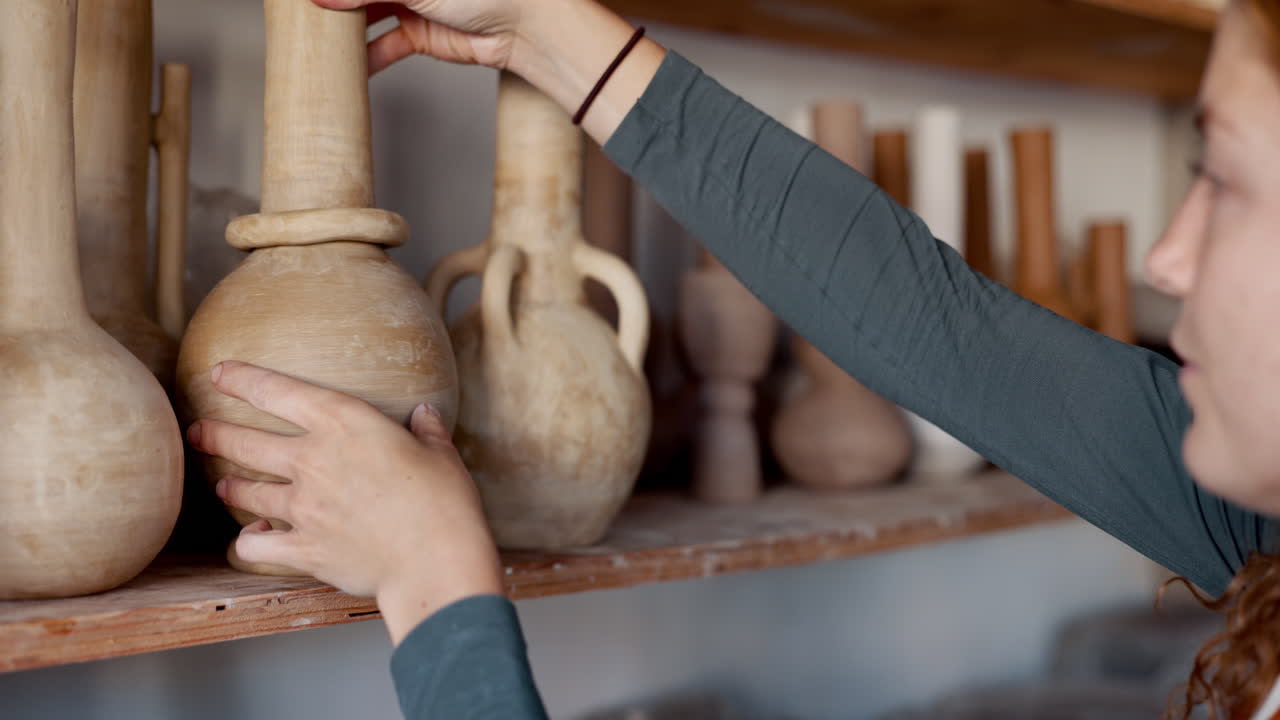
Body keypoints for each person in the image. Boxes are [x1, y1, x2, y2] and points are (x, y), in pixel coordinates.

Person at [181, 0, 1280, 716]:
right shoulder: (1256, 516)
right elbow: (940, 328)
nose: (1166, 256)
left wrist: (432, 584)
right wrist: (542, 30)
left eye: (1223, 180)